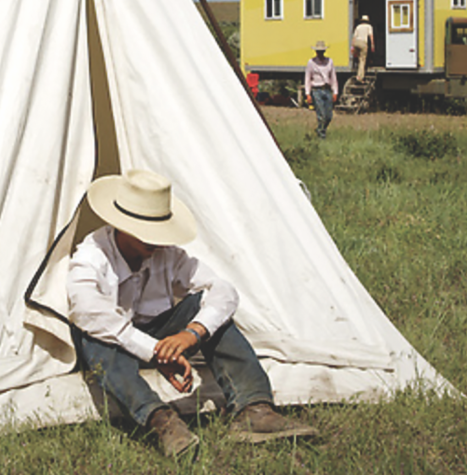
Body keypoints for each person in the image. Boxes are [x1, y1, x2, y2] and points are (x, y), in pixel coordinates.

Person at [67, 169, 318, 458]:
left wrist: (192, 332)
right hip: (115, 339)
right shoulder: (91, 255)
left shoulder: (167, 253)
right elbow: (89, 312)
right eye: (144, 231)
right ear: (121, 225)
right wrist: (157, 352)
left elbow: (223, 290)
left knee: (210, 314)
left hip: (154, 329)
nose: (155, 241)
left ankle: (254, 409)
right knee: (95, 338)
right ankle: (161, 421)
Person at [304, 40, 336, 138]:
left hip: (327, 89)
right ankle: (321, 135)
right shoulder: (311, 62)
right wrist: (308, 93)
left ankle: (320, 129)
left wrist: (335, 91)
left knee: (329, 116)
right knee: (321, 114)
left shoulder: (329, 62)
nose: (320, 53)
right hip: (316, 90)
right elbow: (307, 78)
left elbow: (333, 77)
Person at [351, 15, 374, 82]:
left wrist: (352, 47)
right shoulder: (369, 26)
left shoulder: (358, 27)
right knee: (362, 60)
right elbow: (371, 36)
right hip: (363, 43)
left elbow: (354, 37)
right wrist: (372, 45)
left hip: (356, 43)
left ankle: (358, 73)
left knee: (358, 59)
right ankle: (360, 77)